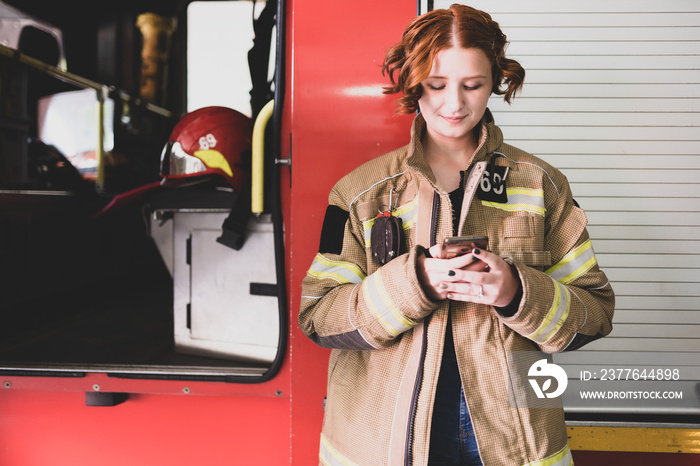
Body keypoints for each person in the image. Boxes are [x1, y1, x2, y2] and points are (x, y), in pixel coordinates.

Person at [299, 4, 615, 465]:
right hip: (382, 443)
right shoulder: (360, 193)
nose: (454, 104)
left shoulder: (540, 185)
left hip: (515, 442)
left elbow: (595, 311)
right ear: (412, 81)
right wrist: (417, 282)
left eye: (473, 85)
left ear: (496, 80)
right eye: (436, 85)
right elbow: (319, 316)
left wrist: (516, 292)